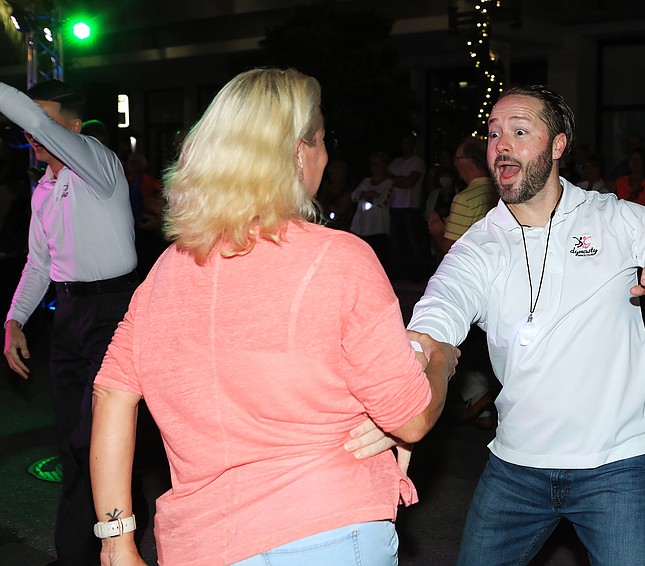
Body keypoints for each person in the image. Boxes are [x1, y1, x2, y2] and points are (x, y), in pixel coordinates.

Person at [88, 67, 458, 566]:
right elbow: (411, 418)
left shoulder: (166, 272)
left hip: (200, 545)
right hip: (327, 531)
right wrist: (440, 361)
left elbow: (112, 392)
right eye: (323, 140)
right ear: (299, 152)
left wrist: (117, 539)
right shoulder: (339, 257)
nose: (327, 156)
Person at [403, 85, 645, 565]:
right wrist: (420, 366)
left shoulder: (616, 219)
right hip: (515, 468)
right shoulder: (478, 247)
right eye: (494, 133)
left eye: (520, 132)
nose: (501, 145)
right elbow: (437, 316)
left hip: (616, 467)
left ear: (557, 145)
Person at [1, 79, 138, 566]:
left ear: (75, 130)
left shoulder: (98, 164)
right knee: (74, 440)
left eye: (42, 123)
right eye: (28, 125)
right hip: (70, 315)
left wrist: (25, 110)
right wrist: (14, 320)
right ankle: (79, 551)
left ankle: (117, 546)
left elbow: (33, 118)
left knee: (96, 436)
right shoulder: (43, 190)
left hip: (115, 312)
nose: (30, 133)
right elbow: (39, 264)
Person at [426, 137, 501, 429]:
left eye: (457, 160)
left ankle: (479, 402)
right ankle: (489, 406)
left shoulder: (465, 198)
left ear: (468, 162)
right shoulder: (501, 192)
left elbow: (449, 250)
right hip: (499, 281)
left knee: (461, 348)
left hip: (470, 287)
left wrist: (437, 232)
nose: (453, 167)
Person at [387, 134, 427, 279]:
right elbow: (387, 177)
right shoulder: (396, 162)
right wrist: (401, 180)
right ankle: (399, 272)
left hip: (411, 206)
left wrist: (395, 179)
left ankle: (417, 272)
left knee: (413, 241)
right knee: (396, 241)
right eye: (403, 143)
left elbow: (409, 183)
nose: (405, 146)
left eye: (408, 143)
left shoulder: (418, 162)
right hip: (394, 206)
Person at [350, 151, 393, 264]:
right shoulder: (366, 181)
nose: (375, 167)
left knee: (378, 259)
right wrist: (371, 194)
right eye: (373, 164)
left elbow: (383, 201)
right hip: (361, 226)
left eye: (378, 164)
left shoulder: (389, 183)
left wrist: (367, 196)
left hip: (378, 227)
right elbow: (354, 196)